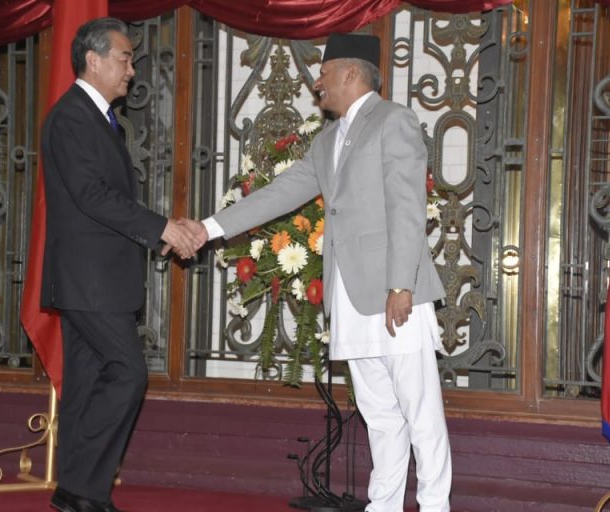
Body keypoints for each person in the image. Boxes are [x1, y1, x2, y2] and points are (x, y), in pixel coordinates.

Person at [183, 33, 452, 512]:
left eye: (323, 73)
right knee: (379, 415)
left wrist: (401, 284)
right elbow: (279, 194)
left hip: (394, 292)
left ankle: (435, 506)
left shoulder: (393, 120)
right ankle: (384, 506)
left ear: (350, 73)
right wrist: (208, 229)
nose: (316, 84)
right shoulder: (327, 140)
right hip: (349, 298)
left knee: (421, 413)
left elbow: (407, 205)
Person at [40, 17, 204, 512]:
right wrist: (161, 228)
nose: (132, 69)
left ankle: (78, 491)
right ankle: (80, 488)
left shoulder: (97, 118)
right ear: (94, 61)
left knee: (89, 382)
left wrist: (158, 230)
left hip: (98, 279)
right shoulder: (72, 117)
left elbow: (103, 200)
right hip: (89, 280)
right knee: (129, 374)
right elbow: (92, 195)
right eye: (125, 58)